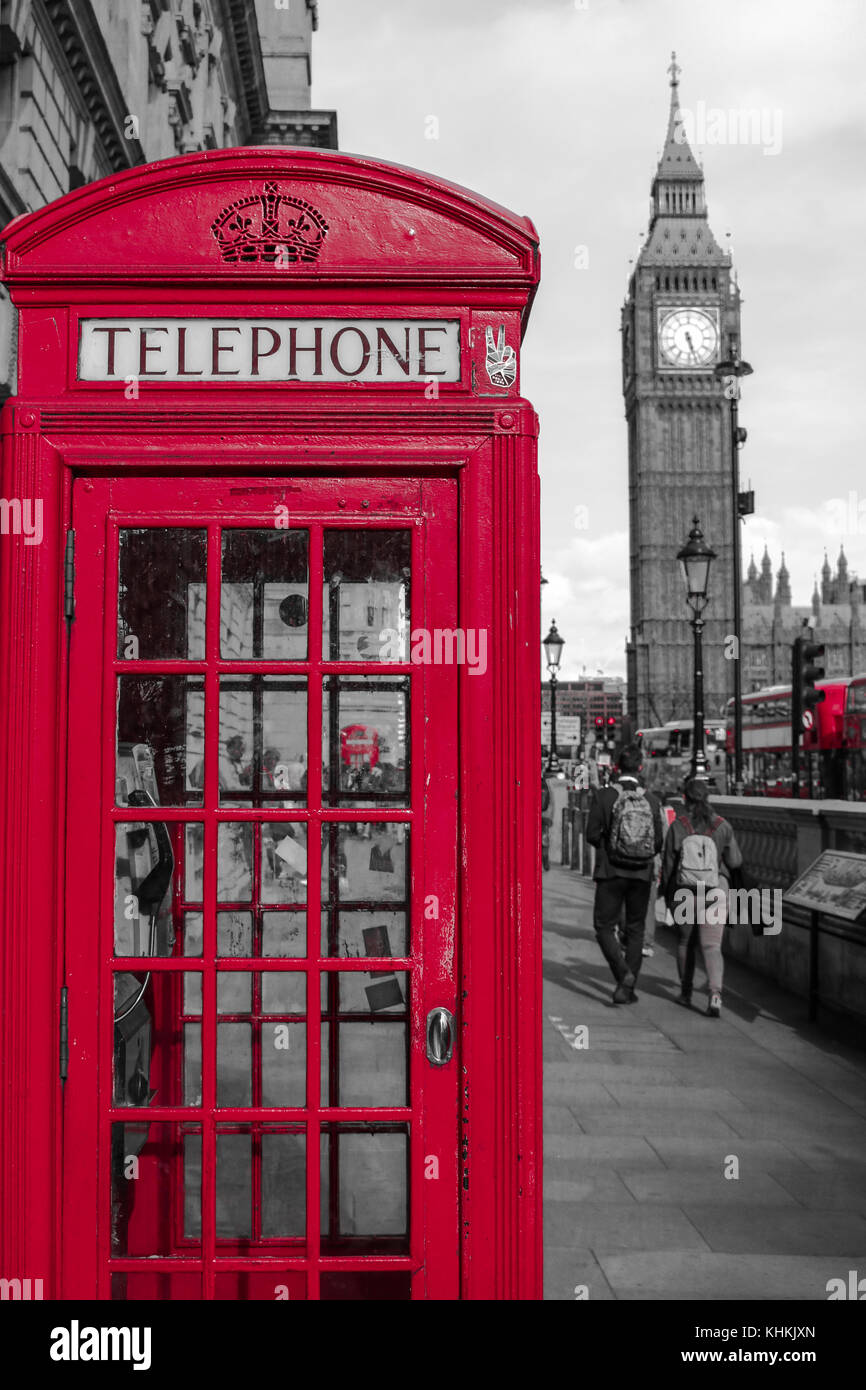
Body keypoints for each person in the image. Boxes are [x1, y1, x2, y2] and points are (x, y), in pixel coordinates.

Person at [586, 744, 664, 1004]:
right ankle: (627, 989)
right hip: (641, 874)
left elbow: (592, 834)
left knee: (604, 926)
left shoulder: (605, 796)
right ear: (640, 768)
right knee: (635, 930)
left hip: (610, 872)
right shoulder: (652, 801)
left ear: (617, 767)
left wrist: (611, 847)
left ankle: (622, 973)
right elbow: (659, 843)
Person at [660, 777, 743, 1018]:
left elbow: (668, 865)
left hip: (685, 891)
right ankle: (715, 994)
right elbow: (735, 861)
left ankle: (685, 994)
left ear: (685, 799)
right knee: (712, 946)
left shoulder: (678, 826)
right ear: (707, 797)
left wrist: (667, 894)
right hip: (715, 890)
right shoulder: (722, 825)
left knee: (686, 942)